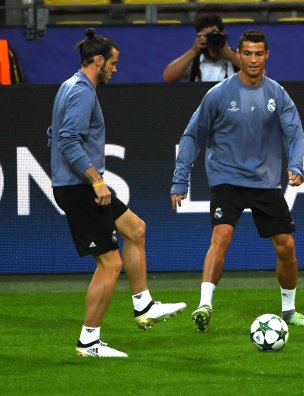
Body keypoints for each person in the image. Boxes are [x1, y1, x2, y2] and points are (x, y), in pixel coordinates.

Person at [48, 29, 186, 358]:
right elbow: (67, 140)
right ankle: (89, 341)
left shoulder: (69, 86)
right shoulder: (82, 92)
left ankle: (144, 306)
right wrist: (95, 180)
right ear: (98, 61)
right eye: (113, 63)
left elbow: (53, 133)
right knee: (110, 264)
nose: (115, 69)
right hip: (81, 188)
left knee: (135, 229)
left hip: (78, 183)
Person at [171, 29, 304, 332]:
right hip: (227, 178)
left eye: (259, 53)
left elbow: (295, 134)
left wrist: (296, 165)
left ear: (267, 56)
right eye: (247, 53)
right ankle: (204, 305)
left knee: (286, 245)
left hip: (265, 182)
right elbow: (192, 135)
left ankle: (289, 310)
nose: (253, 59)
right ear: (239, 54)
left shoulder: (277, 94)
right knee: (220, 238)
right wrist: (180, 180)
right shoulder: (219, 94)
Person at [163, 14, 239, 83]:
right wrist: (193, 50)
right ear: (199, 37)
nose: (211, 39)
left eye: (214, 35)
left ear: (223, 34)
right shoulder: (194, 60)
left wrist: (230, 56)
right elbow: (168, 77)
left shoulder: (236, 58)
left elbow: (250, 71)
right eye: (207, 36)